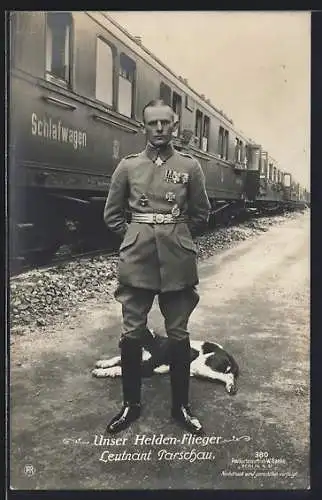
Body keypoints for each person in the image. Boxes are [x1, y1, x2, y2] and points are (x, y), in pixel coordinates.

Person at [103, 99, 211, 435]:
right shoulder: (128, 166)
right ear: (144, 126)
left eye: (166, 123)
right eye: (153, 123)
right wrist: (136, 237)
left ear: (175, 125)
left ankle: (181, 407)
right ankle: (130, 406)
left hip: (177, 261)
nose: (160, 129)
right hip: (137, 261)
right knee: (132, 332)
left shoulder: (190, 167)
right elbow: (112, 215)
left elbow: (200, 213)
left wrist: (174, 236)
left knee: (178, 333)